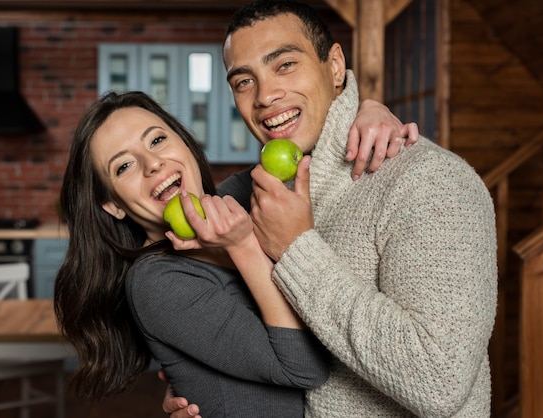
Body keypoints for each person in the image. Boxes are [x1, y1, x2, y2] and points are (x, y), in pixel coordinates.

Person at [164, 1, 498, 417]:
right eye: (244, 81)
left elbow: (439, 379)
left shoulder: (430, 180)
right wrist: (202, 390)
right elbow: (283, 351)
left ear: (335, 65)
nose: (265, 95)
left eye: (285, 64)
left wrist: (296, 249)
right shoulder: (268, 195)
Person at [53, 91, 413, 417]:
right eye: (124, 166)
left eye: (158, 140)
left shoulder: (240, 196)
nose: (153, 164)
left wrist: (370, 108)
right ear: (113, 204)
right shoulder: (155, 281)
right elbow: (304, 367)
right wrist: (243, 248)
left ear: (185, 143)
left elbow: (315, 146)